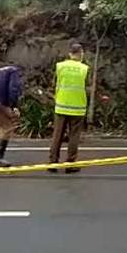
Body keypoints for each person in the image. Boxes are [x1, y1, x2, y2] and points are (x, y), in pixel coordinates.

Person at [48, 43, 89, 173]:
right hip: (77, 107)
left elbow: (54, 83)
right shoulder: (84, 68)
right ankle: (70, 163)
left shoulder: (60, 66)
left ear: (70, 53)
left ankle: (52, 162)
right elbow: (88, 87)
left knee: (57, 135)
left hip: (61, 106)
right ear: (81, 53)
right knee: (74, 136)